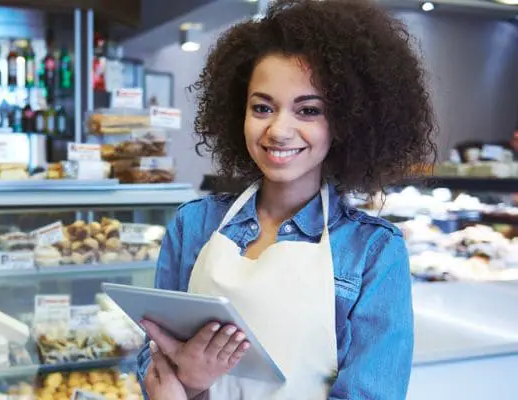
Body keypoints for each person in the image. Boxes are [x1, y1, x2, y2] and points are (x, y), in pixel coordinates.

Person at [137, 0, 436, 399]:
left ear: (346, 121)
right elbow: (152, 360)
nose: (279, 130)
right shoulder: (193, 225)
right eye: (262, 107)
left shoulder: (372, 252)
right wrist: (189, 382)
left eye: (308, 110)